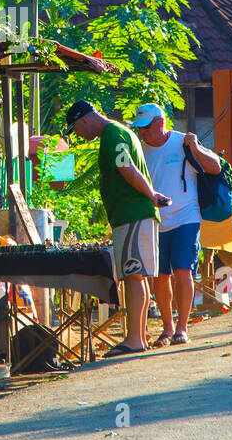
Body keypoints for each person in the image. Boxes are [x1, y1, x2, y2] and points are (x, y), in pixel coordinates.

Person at [65, 100, 171, 356]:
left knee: (133, 275)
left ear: (85, 120)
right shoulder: (122, 132)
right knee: (139, 277)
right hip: (134, 213)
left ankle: (134, 338)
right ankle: (138, 336)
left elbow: (126, 168)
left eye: (76, 129)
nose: (78, 135)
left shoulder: (113, 134)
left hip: (131, 213)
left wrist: (152, 194)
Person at [132, 102, 221, 346]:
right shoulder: (138, 150)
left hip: (186, 217)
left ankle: (182, 328)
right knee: (160, 277)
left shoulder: (182, 142)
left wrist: (195, 147)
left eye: (146, 127)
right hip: (156, 222)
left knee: (183, 271)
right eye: (139, 128)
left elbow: (215, 168)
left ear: (161, 123)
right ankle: (167, 327)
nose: (142, 132)